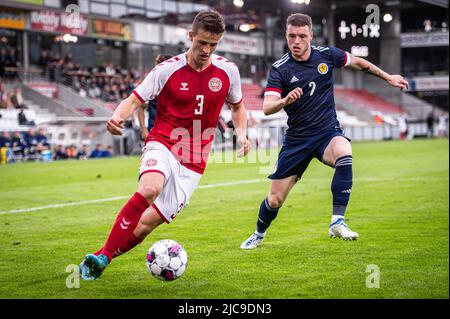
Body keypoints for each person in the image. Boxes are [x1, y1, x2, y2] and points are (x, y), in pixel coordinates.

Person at [79, 9, 250, 280]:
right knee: (150, 188)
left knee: (146, 225)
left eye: (213, 45)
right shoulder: (167, 69)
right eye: (201, 42)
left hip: (194, 161)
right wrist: (117, 116)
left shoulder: (228, 71)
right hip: (163, 142)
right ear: (190, 36)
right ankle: (101, 256)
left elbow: (238, 107)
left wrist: (241, 134)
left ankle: (103, 257)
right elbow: (134, 100)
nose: (206, 50)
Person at [240, 13, 408, 249]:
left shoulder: (327, 56)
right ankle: (258, 234)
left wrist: (388, 76)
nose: (296, 41)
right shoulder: (280, 69)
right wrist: (285, 100)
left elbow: (360, 63)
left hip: (326, 132)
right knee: (275, 199)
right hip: (297, 140)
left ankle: (337, 221)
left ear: (311, 35)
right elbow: (267, 107)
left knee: (344, 151)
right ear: (286, 36)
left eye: (301, 36)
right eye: (291, 36)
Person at [137, 54, 172, 140]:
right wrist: (144, 131)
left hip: (174, 132)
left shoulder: (178, 84)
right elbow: (141, 107)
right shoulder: (151, 84)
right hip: (155, 132)